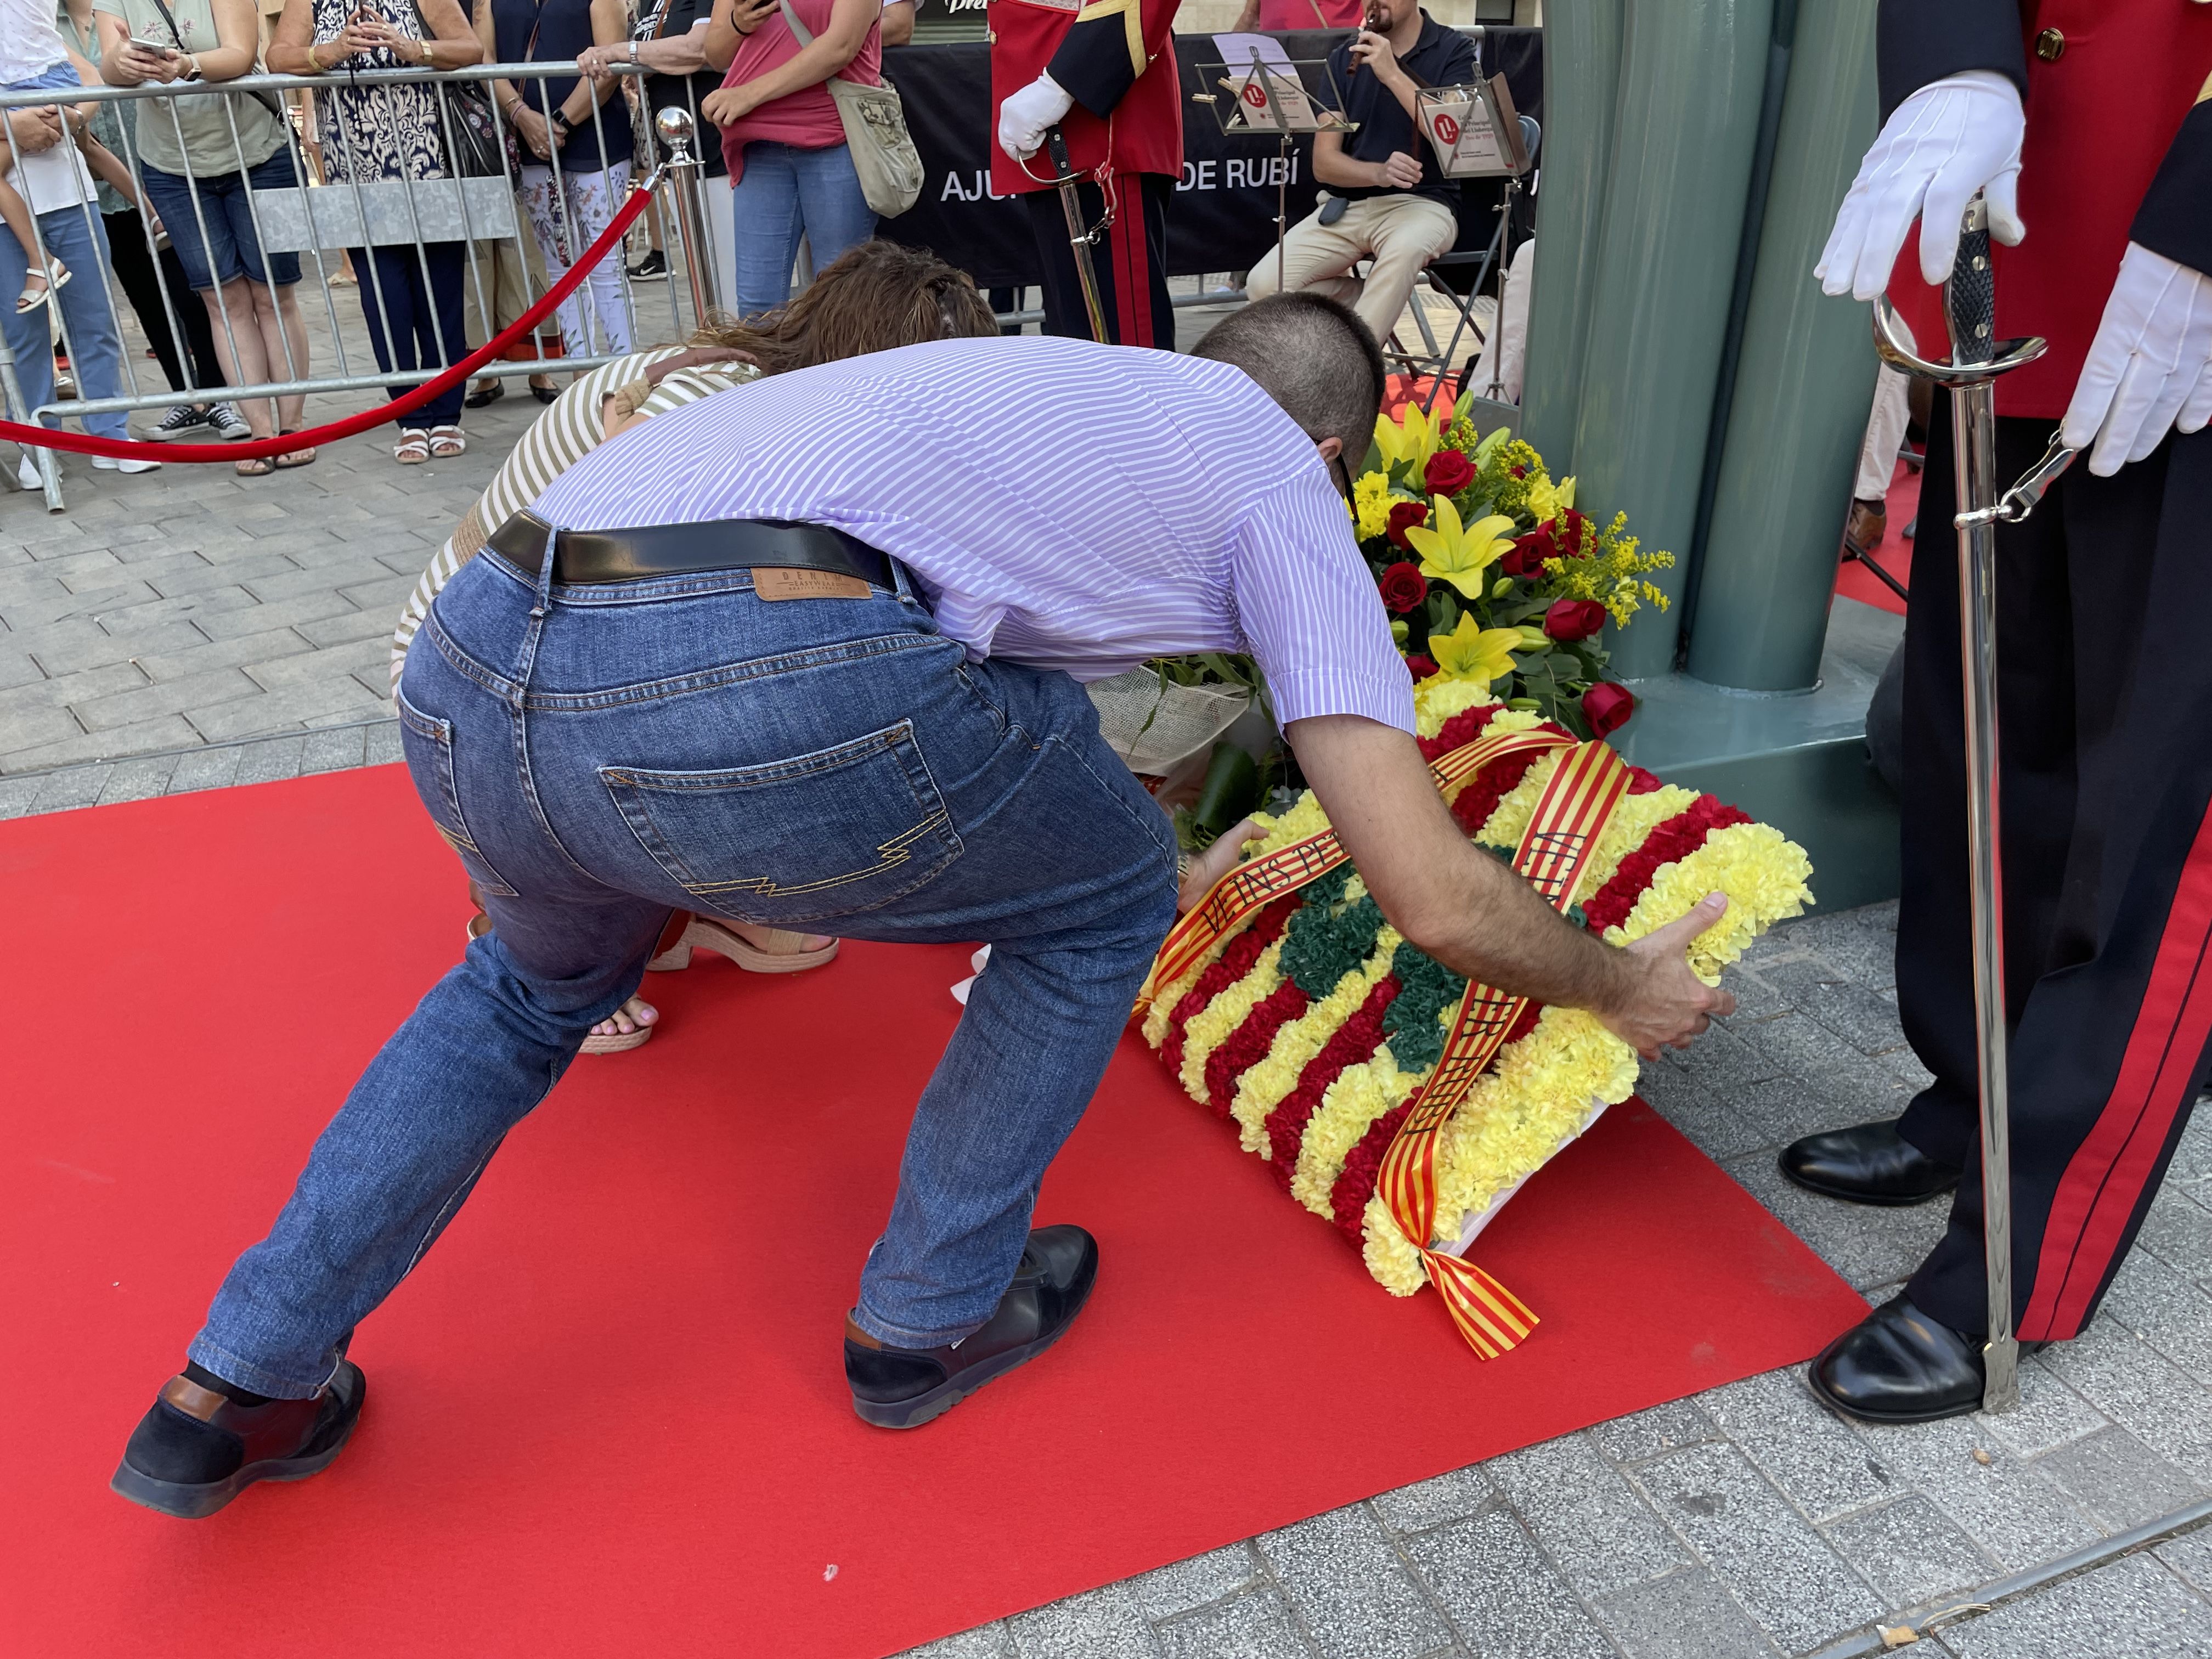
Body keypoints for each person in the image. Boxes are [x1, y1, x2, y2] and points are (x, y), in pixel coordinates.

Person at [109, 292, 1732, 1519]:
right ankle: (930, 1319)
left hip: (471, 653)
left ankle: (235, 1381)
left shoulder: (1065, 381)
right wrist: (1614, 986)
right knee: (1097, 906)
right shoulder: (1281, 486)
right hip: (745, 653)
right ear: (1332, 451)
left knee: (515, 1000)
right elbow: (1435, 893)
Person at [1788, 0, 2212, 1423]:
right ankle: (1973, 1096)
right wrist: (1955, 61)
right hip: (2046, 249)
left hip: (2191, 256)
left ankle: (2025, 1244)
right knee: (1990, 738)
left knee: (2150, 810)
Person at [390, 237, 1001, 1050]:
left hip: (508, 664)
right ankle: (541, 948)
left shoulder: (748, 385)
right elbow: (658, 616)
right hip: (478, 700)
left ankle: (689, 911)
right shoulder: (713, 417)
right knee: (782, 691)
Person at [95, 0, 314, 474]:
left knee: (273, 294)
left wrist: (186, 64)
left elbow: (239, 53)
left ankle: (294, 427)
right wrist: (125, 62)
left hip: (256, 152)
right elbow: (109, 69)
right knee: (223, 299)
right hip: (172, 166)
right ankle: (258, 432)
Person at [271, 0, 482, 465]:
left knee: (440, 293)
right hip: (356, 171)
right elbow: (278, 57)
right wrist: (330, 52)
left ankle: (446, 411)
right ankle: (409, 415)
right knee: (385, 299)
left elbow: (471, 48)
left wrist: (416, 48)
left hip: (430, 164)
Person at [58, 0, 246, 441]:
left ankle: (218, 395)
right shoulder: (47, 24)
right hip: (98, 188)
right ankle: (188, 398)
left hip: (162, 170)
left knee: (193, 290)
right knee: (148, 302)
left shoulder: (126, 7)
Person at [1241, 0, 1471, 345]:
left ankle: (1357, 378)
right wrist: (1379, 173)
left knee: (1405, 250)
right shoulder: (1341, 58)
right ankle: (1372, 301)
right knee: (1263, 285)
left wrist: (1391, 73)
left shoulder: (1455, 50)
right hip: (1347, 207)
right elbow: (1324, 164)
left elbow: (1454, 139)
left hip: (1424, 204)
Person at [0, 14, 157, 477]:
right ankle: (36, 445)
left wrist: (67, 112)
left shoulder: (36, 34)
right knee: (24, 334)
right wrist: (16, 125)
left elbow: (89, 83)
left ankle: (111, 435)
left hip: (70, 193)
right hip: (6, 215)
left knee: (95, 322)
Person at [990, 0, 1177, 346]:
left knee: (1125, 355)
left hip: (1095, 122)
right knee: (1077, 348)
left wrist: (1062, 84)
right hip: (1054, 118)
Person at [700, 0, 881, 319]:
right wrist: (739, 22)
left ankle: (844, 372)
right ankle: (768, 371)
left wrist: (747, 94)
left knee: (838, 303)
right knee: (756, 308)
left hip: (835, 136)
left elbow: (841, 46)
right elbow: (716, 54)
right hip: (760, 145)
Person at [478, 0, 634, 363]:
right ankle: (581, 366)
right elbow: (484, 59)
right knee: (559, 264)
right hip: (528, 138)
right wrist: (521, 115)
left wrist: (558, 123)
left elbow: (609, 65)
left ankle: (624, 368)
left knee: (605, 262)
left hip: (596, 137)